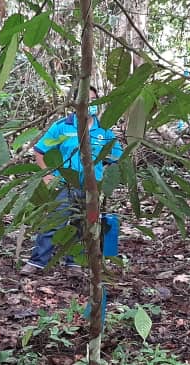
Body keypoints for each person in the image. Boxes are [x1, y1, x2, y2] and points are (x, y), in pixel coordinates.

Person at [20, 86, 123, 276]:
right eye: (85, 99)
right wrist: (46, 175)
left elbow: (116, 157)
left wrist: (107, 177)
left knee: (83, 224)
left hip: (91, 187)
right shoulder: (62, 127)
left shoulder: (105, 131)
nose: (89, 104)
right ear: (75, 103)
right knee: (54, 222)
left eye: (93, 100)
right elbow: (40, 150)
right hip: (63, 183)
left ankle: (74, 263)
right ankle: (38, 262)